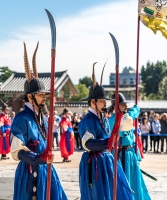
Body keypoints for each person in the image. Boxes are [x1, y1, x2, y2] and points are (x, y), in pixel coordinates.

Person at [10, 42, 67, 200]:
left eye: (44, 95)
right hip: (30, 172)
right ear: (30, 97)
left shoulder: (41, 116)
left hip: (45, 168)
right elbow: (18, 151)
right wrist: (38, 159)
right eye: (41, 95)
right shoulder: (21, 118)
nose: (44, 98)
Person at [78, 64, 133, 200]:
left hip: (107, 159)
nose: (105, 104)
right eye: (102, 101)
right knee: (98, 195)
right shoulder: (87, 120)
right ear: (92, 102)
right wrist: (108, 142)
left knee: (114, 193)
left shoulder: (102, 117)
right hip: (94, 164)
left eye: (105, 101)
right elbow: (88, 143)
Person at [108, 93, 151, 200]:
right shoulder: (113, 119)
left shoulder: (124, 116)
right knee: (123, 183)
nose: (125, 106)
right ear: (115, 106)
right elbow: (133, 113)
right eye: (122, 104)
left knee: (135, 182)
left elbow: (133, 113)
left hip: (129, 153)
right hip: (119, 155)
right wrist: (136, 107)